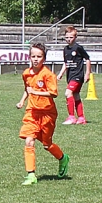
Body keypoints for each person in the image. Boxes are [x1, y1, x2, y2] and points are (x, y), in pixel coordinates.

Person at [17, 43, 69, 186]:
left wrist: (35, 92)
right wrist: (22, 101)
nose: (35, 59)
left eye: (39, 56)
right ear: (29, 57)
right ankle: (31, 175)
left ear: (44, 59)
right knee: (29, 141)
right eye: (33, 56)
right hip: (32, 112)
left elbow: (54, 93)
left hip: (47, 114)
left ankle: (63, 158)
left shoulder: (48, 75)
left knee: (47, 145)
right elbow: (27, 89)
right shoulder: (26, 73)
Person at [56, 26, 92, 125]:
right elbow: (66, 63)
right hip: (70, 76)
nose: (69, 39)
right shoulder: (65, 49)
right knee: (76, 95)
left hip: (78, 75)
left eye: (71, 37)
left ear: (75, 37)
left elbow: (87, 59)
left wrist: (88, 73)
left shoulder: (78, 48)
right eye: (67, 37)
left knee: (68, 93)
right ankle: (81, 118)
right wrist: (61, 74)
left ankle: (71, 117)